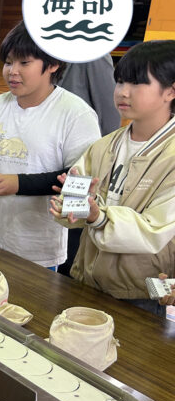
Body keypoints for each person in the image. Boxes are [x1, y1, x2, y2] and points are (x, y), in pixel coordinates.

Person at [0, 21, 101, 271]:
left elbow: (79, 179)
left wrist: (18, 184)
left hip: (38, 247)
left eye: (24, 63)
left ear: (53, 64)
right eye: (8, 62)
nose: (12, 71)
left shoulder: (76, 114)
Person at [50, 40, 175, 318]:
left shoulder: (171, 156)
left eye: (137, 83)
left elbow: (154, 230)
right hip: (85, 280)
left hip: (140, 294)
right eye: (120, 82)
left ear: (170, 91)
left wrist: (98, 216)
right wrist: (69, 206)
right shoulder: (104, 146)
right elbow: (76, 204)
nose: (122, 92)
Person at [55, 54, 119, 278]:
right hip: (55, 163)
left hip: (83, 161)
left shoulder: (91, 55)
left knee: (72, 235)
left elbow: (110, 112)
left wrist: (103, 159)